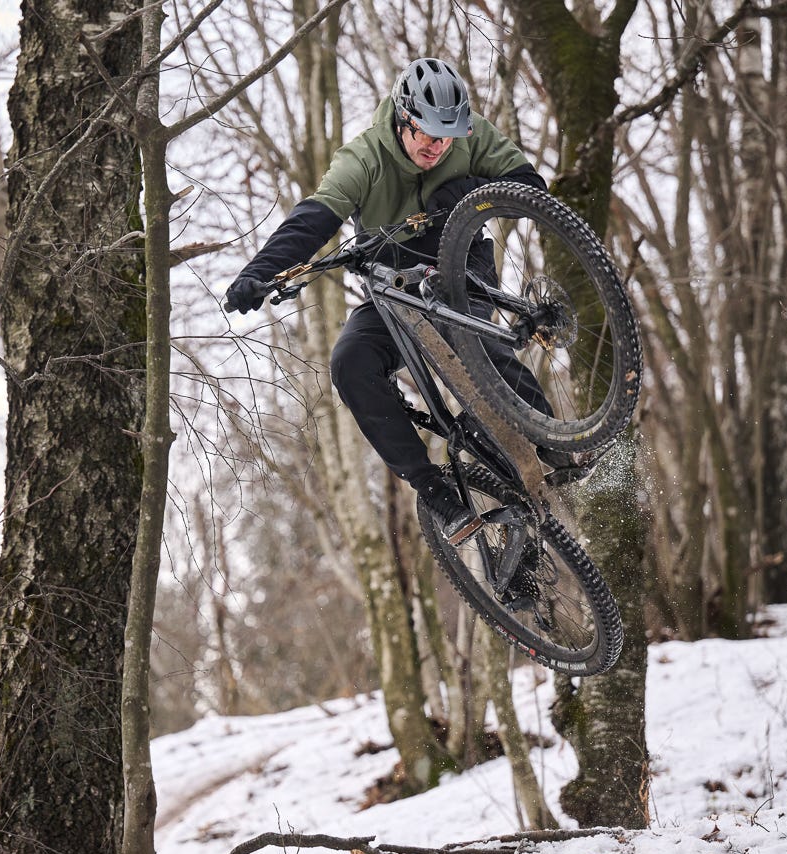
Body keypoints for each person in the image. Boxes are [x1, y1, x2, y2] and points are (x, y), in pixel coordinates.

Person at [224, 57, 551, 544]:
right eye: (425, 134)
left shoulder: (469, 135)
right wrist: (259, 271)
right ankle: (435, 490)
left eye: (447, 137)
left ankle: (553, 441)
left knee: (473, 343)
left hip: (461, 265)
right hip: (391, 283)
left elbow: (530, 187)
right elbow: (314, 218)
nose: (436, 147)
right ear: (402, 117)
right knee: (350, 361)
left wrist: (465, 191)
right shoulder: (363, 159)